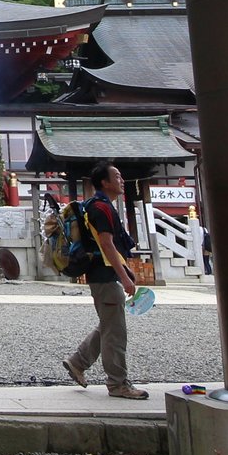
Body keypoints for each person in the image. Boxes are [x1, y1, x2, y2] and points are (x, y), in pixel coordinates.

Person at [60, 163, 149, 399]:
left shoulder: (98, 206)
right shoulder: (102, 208)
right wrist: (124, 276)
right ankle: (117, 383)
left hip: (102, 275)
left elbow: (108, 246)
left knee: (109, 324)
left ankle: (78, 362)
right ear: (104, 183)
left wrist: (126, 271)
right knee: (115, 332)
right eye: (117, 176)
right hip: (105, 276)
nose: (121, 180)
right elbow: (107, 244)